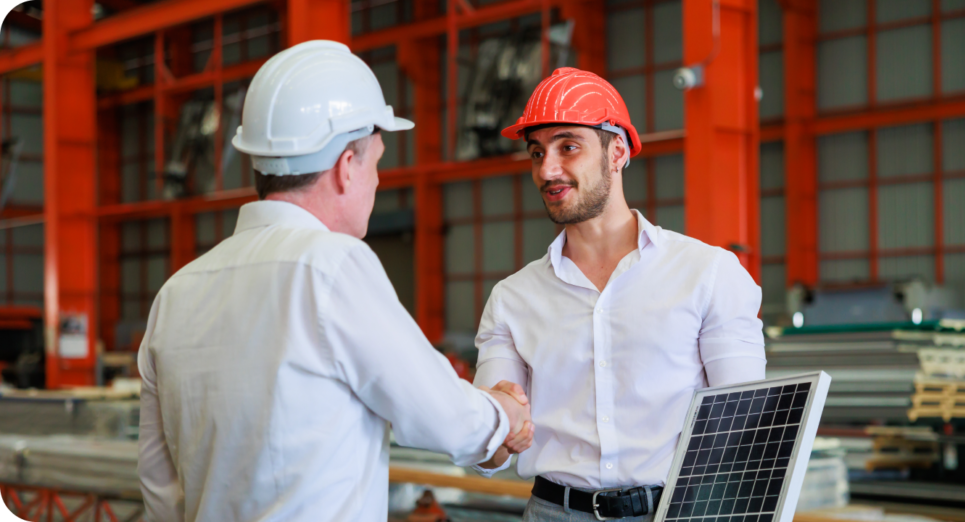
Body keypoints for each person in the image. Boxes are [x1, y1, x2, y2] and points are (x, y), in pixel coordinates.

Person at [137, 40, 532, 522]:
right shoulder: (331, 265)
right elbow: (442, 415)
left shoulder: (177, 292)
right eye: (376, 163)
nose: (378, 181)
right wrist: (505, 416)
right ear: (347, 167)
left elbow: (159, 485)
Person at [472, 67, 766, 521]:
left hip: (676, 511)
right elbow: (490, 451)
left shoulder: (708, 274)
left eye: (568, 146)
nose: (547, 170)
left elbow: (744, 429)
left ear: (618, 151)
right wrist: (495, 429)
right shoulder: (513, 298)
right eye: (536, 153)